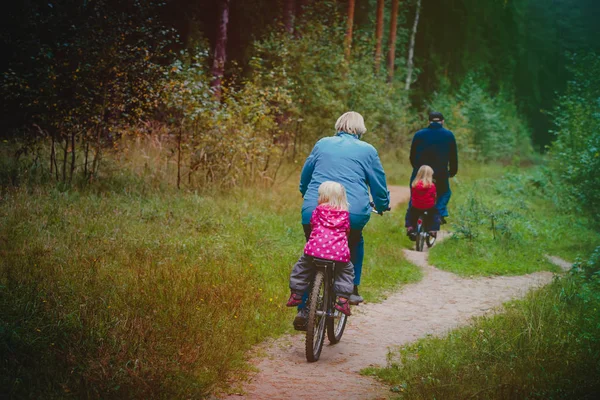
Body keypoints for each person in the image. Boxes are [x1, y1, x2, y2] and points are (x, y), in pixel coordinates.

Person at [297, 111, 390, 328]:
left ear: (339, 125)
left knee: (312, 251)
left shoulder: (322, 144)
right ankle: (352, 289)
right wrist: (383, 204)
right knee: (354, 240)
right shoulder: (368, 150)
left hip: (314, 208)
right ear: (361, 129)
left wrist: (306, 194)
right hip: (352, 212)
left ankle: (303, 308)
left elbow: (306, 175)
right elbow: (378, 183)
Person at [287, 181, 354, 318]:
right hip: (338, 253)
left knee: (302, 266)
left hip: (315, 250)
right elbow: (347, 231)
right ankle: (342, 300)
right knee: (346, 270)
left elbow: (312, 224)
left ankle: (296, 294)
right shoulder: (345, 214)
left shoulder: (317, 211)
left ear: (323, 196)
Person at [406, 111, 458, 230]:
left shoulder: (419, 134)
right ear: (442, 122)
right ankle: (438, 214)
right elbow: (453, 157)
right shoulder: (449, 135)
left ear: (429, 121)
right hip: (440, 174)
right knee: (444, 193)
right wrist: (452, 172)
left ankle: (411, 225)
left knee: (415, 193)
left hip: (420, 172)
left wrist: (417, 169)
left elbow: (412, 155)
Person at [405, 165, 441, 238]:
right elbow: (434, 196)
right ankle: (433, 230)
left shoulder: (414, 184)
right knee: (435, 214)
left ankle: (410, 227)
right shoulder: (432, 185)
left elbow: (413, 195)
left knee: (410, 214)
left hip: (416, 206)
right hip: (428, 207)